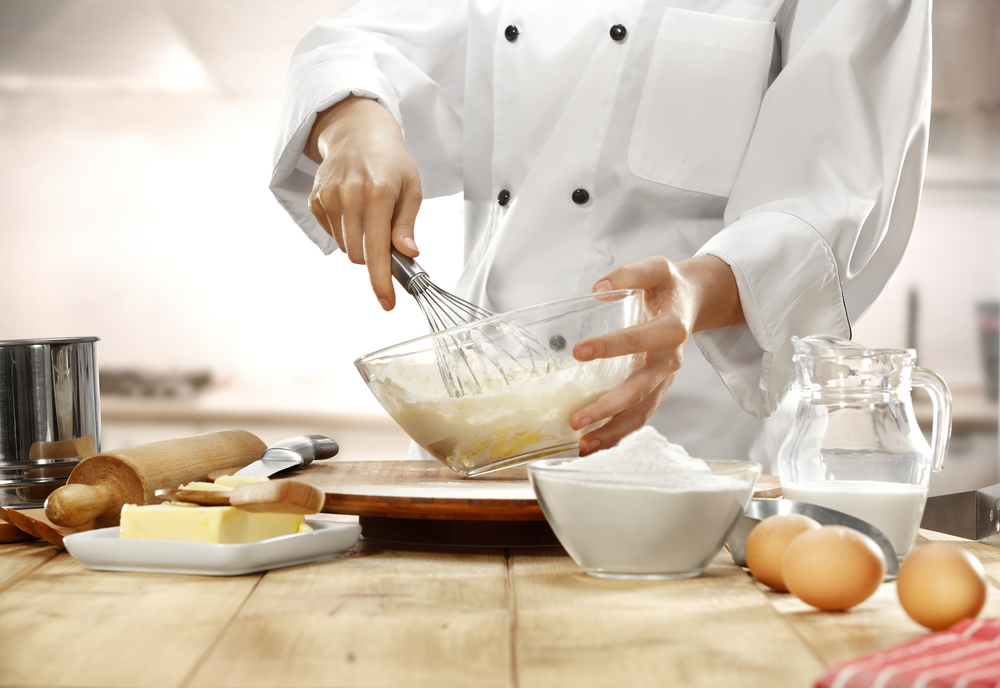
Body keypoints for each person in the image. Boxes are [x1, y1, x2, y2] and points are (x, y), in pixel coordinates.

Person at [270, 0, 932, 472]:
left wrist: (691, 297)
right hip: (476, 449)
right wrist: (355, 125)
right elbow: (355, 44)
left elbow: (830, 198)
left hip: (683, 450)